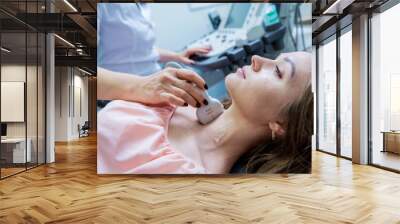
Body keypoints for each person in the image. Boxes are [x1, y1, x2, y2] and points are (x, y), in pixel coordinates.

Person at [97, 52, 313, 174]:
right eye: (274, 58)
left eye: (277, 71)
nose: (257, 59)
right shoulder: (171, 95)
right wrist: (136, 86)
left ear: (281, 125)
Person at [97, 3, 211, 108]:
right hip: (125, 100)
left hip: (154, 89)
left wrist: (178, 56)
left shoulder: (139, 6)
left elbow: (145, 51)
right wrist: (143, 86)